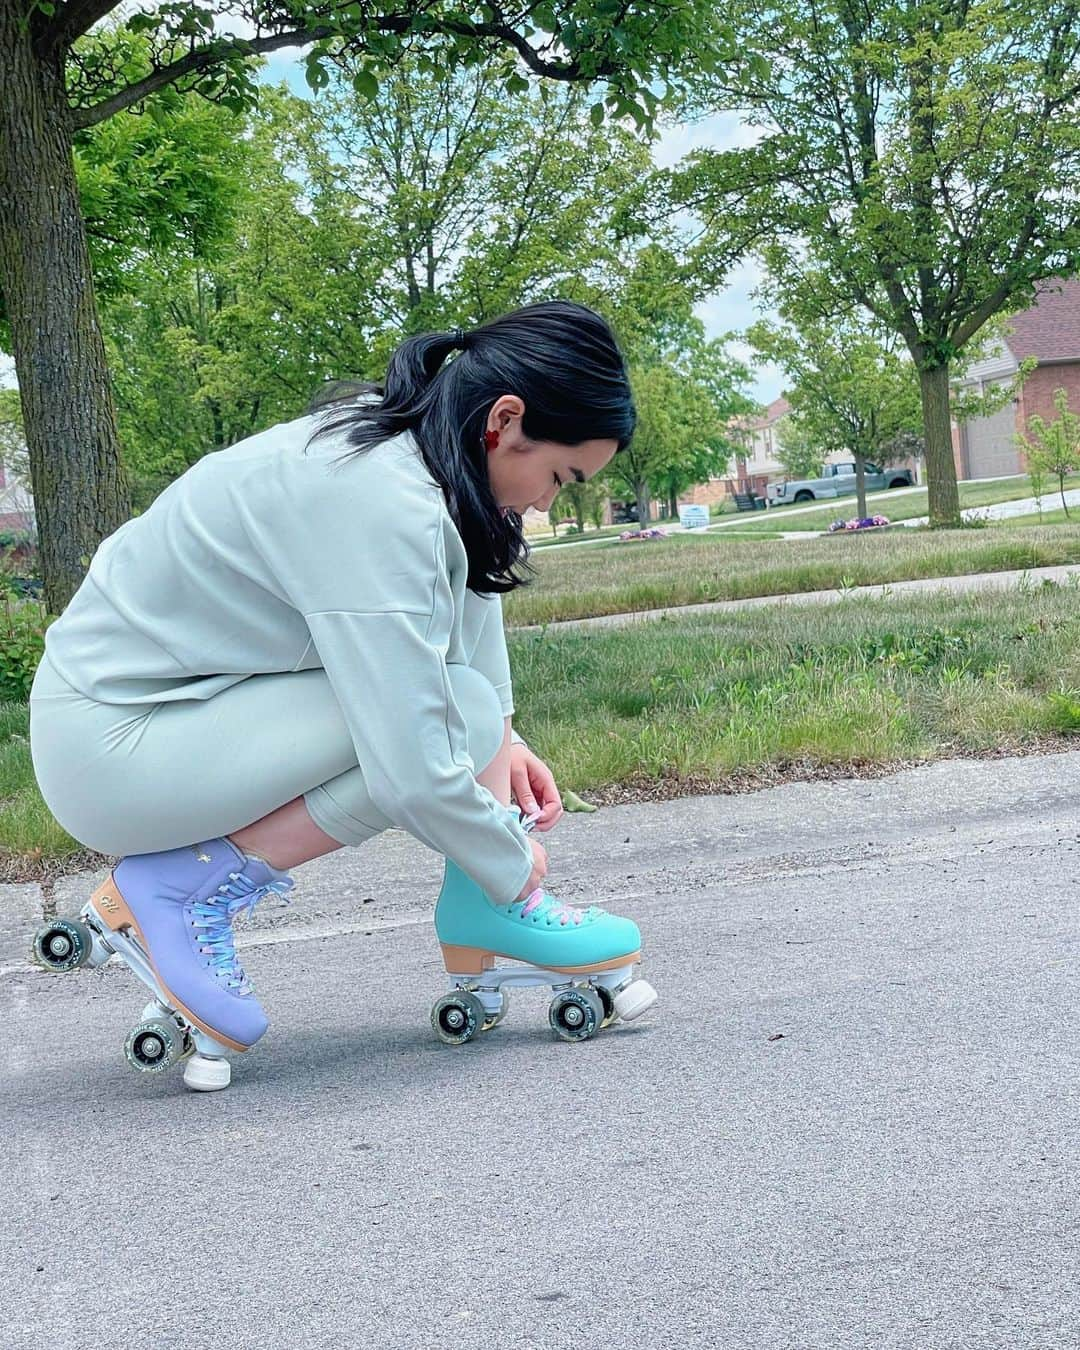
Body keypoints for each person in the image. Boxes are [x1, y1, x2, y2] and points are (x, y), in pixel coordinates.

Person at [29, 299, 653, 1078]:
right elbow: (412, 763)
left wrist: (507, 741)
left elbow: (465, 614)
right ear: (505, 419)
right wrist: (508, 856)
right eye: (560, 475)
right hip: (116, 746)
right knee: (443, 719)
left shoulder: (414, 453)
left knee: (464, 712)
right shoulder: (375, 499)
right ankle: (179, 891)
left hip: (179, 714)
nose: (547, 501)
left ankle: (483, 908)